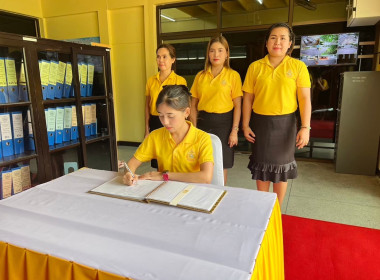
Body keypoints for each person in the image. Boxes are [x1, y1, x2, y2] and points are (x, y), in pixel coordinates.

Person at [242, 23, 311, 206]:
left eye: (283, 38)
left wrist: (305, 127)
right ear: (266, 42)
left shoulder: (298, 66)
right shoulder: (255, 67)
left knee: (281, 170)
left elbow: (304, 99)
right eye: (273, 37)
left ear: (290, 44)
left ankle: (277, 212)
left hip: (286, 124)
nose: (277, 42)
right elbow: (248, 99)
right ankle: (263, 208)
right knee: (262, 166)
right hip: (261, 124)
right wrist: (245, 124)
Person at [123, 85, 214, 186]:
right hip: (164, 190)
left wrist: (165, 175)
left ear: (187, 112)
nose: (165, 122)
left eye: (170, 116)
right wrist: (128, 174)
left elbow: (206, 178)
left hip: (192, 191)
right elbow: (132, 164)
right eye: (161, 115)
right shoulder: (155, 136)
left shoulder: (202, 138)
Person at [190, 35, 242, 185]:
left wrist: (234, 130)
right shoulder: (200, 76)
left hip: (224, 125)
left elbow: (238, 105)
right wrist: (193, 128)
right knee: (201, 162)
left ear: (226, 53)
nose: (216, 54)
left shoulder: (233, 76)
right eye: (212, 51)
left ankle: (220, 197)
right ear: (208, 54)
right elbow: (193, 104)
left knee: (221, 165)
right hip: (203, 123)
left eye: (220, 50)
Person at [145, 44, 187, 168]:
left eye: (164, 57)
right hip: (155, 121)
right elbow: (147, 106)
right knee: (159, 161)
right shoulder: (151, 81)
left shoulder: (180, 81)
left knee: (173, 159)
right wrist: (147, 129)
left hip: (173, 123)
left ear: (173, 60)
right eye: (158, 57)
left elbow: (182, 108)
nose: (161, 60)